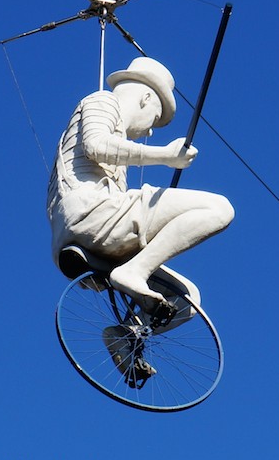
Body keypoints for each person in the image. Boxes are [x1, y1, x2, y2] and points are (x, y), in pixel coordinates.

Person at [47, 56, 234, 380]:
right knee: (220, 209)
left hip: (84, 229)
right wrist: (165, 155)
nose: (148, 129)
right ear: (147, 98)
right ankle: (134, 270)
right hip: (94, 213)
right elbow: (97, 145)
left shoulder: (114, 129)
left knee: (187, 299)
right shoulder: (101, 101)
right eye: (155, 119)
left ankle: (126, 334)